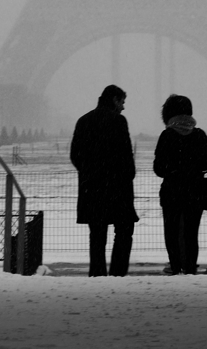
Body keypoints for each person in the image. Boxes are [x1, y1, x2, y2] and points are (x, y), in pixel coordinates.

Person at [70, 84, 138, 276]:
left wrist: (89, 174)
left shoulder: (83, 121)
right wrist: (126, 176)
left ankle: (97, 273)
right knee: (124, 231)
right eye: (122, 102)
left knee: (97, 234)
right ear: (115, 100)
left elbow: (75, 154)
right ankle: (118, 273)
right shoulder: (119, 121)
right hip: (118, 187)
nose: (123, 107)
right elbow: (125, 155)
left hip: (92, 187)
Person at [153, 93, 207, 275]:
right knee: (191, 232)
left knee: (171, 232)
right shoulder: (200, 135)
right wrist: (195, 175)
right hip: (195, 192)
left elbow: (158, 168)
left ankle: (175, 265)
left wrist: (174, 173)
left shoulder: (166, 136)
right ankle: (189, 267)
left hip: (171, 192)